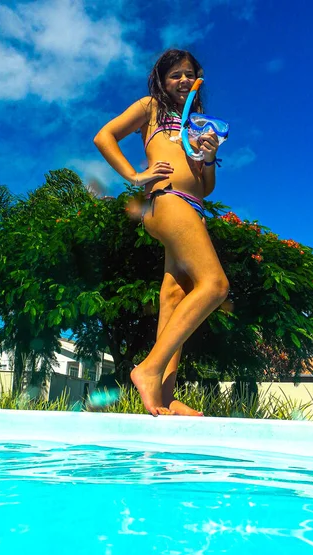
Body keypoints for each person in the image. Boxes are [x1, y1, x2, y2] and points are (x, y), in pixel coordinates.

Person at [94, 49, 229, 416]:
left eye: (190, 74)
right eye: (175, 75)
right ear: (162, 80)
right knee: (215, 286)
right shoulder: (151, 107)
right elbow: (104, 136)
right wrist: (135, 177)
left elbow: (207, 187)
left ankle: (164, 396)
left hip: (193, 207)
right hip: (167, 201)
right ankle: (149, 369)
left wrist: (208, 156)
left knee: (174, 296)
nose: (183, 80)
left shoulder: (198, 125)